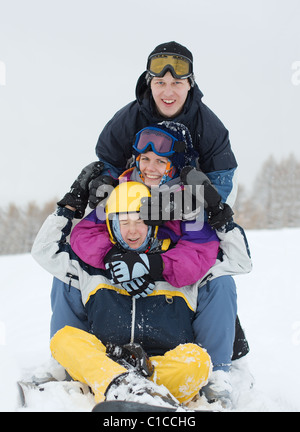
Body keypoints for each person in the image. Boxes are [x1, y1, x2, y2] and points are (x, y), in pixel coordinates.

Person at [68, 122, 252, 408]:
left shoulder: (188, 201)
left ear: (174, 165)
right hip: (118, 284)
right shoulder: (120, 190)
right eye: (145, 159)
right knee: (66, 273)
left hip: (170, 291)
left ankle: (217, 373)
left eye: (160, 161)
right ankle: (77, 367)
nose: (150, 168)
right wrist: (111, 256)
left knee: (220, 281)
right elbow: (84, 234)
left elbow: (200, 250)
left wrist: (153, 264)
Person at [31, 181, 212, 408]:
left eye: (140, 221)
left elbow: (239, 262)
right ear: (112, 226)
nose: (132, 230)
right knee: (64, 339)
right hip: (105, 362)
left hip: (159, 366)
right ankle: (131, 389)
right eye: (124, 222)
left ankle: (127, 390)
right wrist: (67, 207)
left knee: (198, 360)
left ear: (153, 224)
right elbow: (44, 250)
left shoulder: (174, 263)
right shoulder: (91, 265)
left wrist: (219, 217)